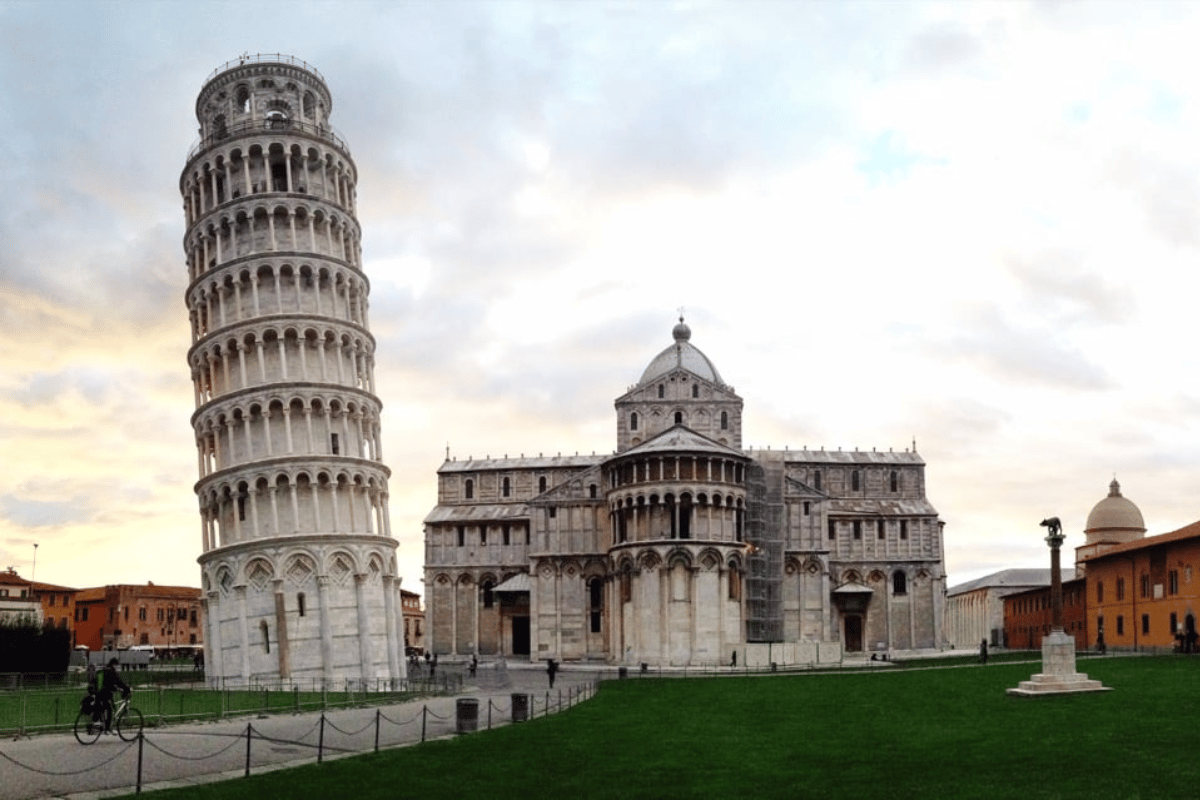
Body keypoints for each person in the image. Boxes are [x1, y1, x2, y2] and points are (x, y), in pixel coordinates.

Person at [95, 657, 130, 733]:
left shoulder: (105, 669)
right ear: (114, 664)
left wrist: (116, 688)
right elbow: (118, 681)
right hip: (105, 693)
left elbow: (111, 683)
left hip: (100, 693)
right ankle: (106, 728)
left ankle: (106, 726)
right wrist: (126, 688)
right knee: (110, 709)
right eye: (116, 665)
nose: (117, 667)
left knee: (109, 707)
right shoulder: (111, 671)